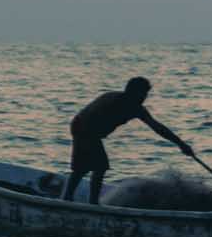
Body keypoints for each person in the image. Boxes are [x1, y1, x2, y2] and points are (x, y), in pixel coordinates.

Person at [63, 76, 193, 204]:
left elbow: (157, 127)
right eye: (142, 94)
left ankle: (80, 199)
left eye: (146, 94)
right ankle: (86, 201)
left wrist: (180, 144)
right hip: (82, 127)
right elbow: (89, 118)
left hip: (93, 133)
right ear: (132, 92)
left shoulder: (137, 108)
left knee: (91, 167)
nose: (144, 98)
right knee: (96, 166)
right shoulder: (113, 100)